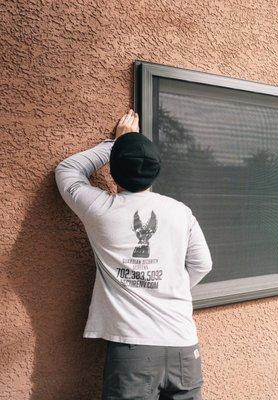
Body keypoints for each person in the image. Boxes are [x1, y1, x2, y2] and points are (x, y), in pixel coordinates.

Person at [55, 110, 212, 400]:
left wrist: (115, 143)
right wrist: (165, 285)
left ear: (113, 172)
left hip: (134, 351)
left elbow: (67, 171)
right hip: (184, 346)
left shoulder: (101, 210)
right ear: (157, 171)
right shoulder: (180, 212)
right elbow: (203, 263)